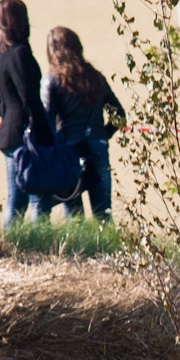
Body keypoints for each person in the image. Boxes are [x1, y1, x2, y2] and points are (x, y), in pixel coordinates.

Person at [41, 26, 125, 221]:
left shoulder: (52, 81)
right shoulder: (96, 77)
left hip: (69, 152)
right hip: (97, 146)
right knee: (103, 215)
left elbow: (47, 121)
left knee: (75, 217)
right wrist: (102, 134)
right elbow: (119, 115)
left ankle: (81, 252)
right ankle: (106, 252)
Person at [0, 0, 55, 228]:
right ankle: (39, 248)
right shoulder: (19, 54)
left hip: (8, 135)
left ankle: (11, 248)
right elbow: (30, 99)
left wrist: (10, 116)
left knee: (16, 201)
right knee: (39, 197)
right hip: (29, 136)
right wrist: (46, 135)